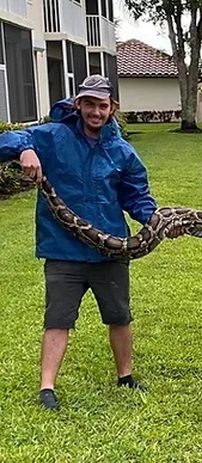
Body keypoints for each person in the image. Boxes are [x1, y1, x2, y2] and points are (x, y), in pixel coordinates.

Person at [0, 75, 160, 410]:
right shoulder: (51, 136)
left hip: (110, 252)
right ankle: (47, 388)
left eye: (103, 105)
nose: (96, 111)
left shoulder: (122, 152)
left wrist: (154, 220)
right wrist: (25, 148)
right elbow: (7, 140)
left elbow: (137, 196)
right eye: (90, 104)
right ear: (79, 105)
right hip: (63, 249)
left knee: (119, 315)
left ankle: (125, 376)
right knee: (58, 317)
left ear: (112, 109)